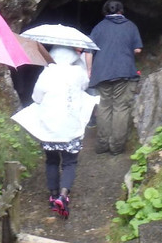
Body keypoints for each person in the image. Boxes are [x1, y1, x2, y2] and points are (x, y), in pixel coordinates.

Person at [11, 46, 98, 219]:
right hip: (70, 126)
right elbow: (85, 86)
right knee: (69, 162)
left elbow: (36, 97)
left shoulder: (47, 73)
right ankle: (63, 196)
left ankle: (53, 195)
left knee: (51, 160)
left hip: (49, 126)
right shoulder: (77, 72)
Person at [88, 0, 143, 155]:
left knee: (104, 106)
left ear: (106, 12)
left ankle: (102, 144)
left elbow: (89, 50)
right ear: (121, 11)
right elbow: (138, 50)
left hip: (102, 73)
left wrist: (90, 70)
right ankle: (116, 146)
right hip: (124, 71)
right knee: (120, 107)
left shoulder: (99, 27)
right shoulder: (131, 26)